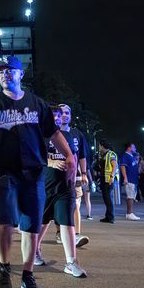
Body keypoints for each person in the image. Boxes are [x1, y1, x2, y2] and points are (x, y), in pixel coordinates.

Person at [0, 55, 76, 288]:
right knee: (6, 221)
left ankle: (28, 274)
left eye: (9, 70)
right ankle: (4, 269)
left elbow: (53, 133)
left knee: (31, 224)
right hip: (4, 171)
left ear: (20, 74)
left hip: (34, 172)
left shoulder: (37, 104)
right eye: (0, 72)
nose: (5, 74)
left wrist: (69, 155)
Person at [34, 106, 87, 278]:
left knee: (67, 222)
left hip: (65, 187)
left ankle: (71, 262)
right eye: (54, 116)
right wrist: (50, 162)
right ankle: (34, 249)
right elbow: (33, 157)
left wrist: (76, 177)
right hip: (45, 185)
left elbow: (74, 157)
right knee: (43, 221)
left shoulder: (69, 136)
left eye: (60, 116)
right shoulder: (40, 134)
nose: (57, 119)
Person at [57, 104, 90, 247]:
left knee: (75, 203)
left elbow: (82, 156)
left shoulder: (77, 134)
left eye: (67, 113)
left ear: (70, 116)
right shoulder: (51, 133)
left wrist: (83, 173)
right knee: (57, 206)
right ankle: (59, 233)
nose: (64, 115)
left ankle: (76, 234)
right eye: (61, 113)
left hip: (74, 176)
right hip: (55, 175)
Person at [97, 140, 118, 224]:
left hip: (109, 179)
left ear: (102, 146)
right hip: (103, 179)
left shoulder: (111, 154)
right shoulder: (103, 155)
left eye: (99, 146)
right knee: (106, 198)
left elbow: (115, 165)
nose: (99, 147)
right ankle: (108, 216)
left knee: (109, 198)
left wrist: (112, 176)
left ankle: (111, 217)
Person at [120, 142, 141, 220]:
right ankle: (129, 213)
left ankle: (129, 213)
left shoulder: (131, 156)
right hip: (129, 179)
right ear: (129, 148)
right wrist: (125, 178)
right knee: (130, 197)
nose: (135, 148)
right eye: (133, 147)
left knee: (132, 196)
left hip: (133, 180)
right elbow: (123, 166)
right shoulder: (126, 156)